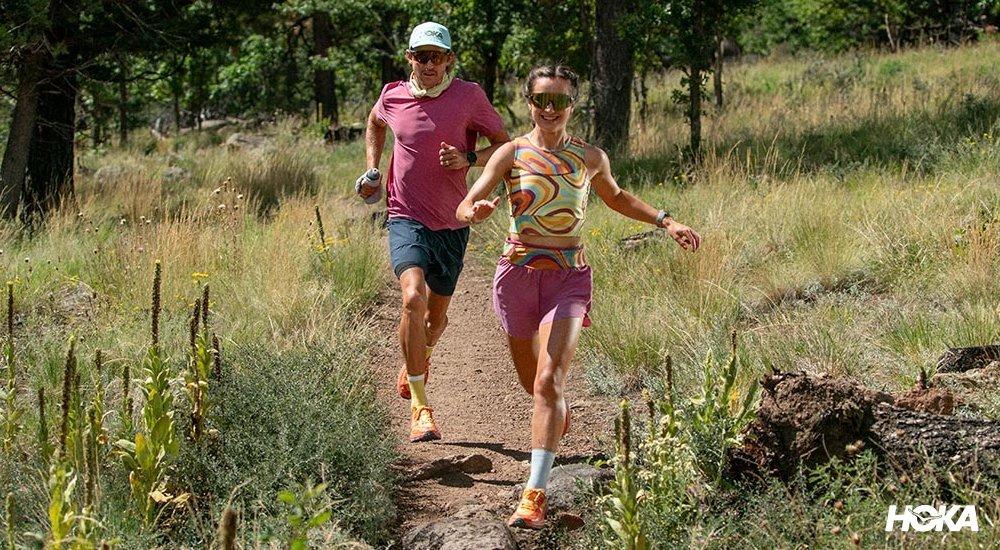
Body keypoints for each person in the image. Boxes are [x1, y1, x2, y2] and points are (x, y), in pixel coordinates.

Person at [456, 64, 701, 529]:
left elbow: (617, 196)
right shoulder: (510, 154)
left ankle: (534, 493)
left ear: (573, 105)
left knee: (549, 382)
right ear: (528, 102)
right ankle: (553, 419)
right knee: (533, 385)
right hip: (517, 275)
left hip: (569, 276)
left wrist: (666, 221)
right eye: (541, 100)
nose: (550, 109)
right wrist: (477, 210)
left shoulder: (589, 157)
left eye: (560, 101)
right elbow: (466, 203)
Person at [358, 22, 509, 443]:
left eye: (436, 56)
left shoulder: (469, 96)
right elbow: (374, 123)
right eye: (421, 56)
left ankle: (416, 359)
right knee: (412, 297)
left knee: (435, 319)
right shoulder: (392, 95)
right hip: (405, 215)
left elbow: (505, 144)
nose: (428, 64)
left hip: (454, 221)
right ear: (410, 58)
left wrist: (468, 157)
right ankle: (421, 407)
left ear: (449, 60)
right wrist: (372, 167)